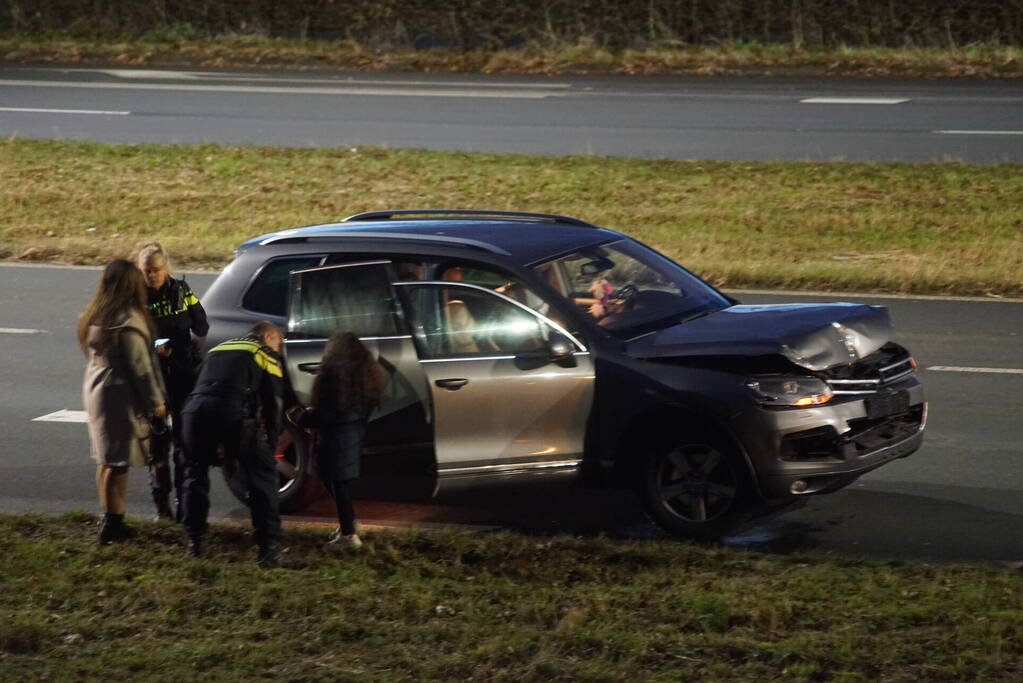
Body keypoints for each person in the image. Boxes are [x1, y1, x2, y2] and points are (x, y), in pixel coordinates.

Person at [180, 321, 285, 566]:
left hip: (194, 412)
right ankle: (269, 551)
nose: (280, 348)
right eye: (280, 342)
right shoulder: (263, 352)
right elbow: (274, 400)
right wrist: (271, 440)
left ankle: (194, 543)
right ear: (268, 337)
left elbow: (198, 382)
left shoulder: (219, 349)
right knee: (262, 477)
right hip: (231, 410)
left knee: (194, 477)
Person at [78, 259, 168, 544]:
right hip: (118, 395)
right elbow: (140, 369)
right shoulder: (128, 320)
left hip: (98, 388)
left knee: (107, 462)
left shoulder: (99, 314)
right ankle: (113, 527)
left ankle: (111, 518)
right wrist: (157, 403)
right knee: (118, 463)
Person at [136, 242, 209, 521]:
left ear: (166, 268)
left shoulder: (182, 290)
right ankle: (161, 507)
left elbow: (202, 326)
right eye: (146, 271)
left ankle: (184, 504)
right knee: (157, 445)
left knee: (184, 443)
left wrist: (175, 341)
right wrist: (156, 343)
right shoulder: (136, 297)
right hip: (152, 378)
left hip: (182, 376)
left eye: (156, 270)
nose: (151, 276)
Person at [294, 332, 384, 552]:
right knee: (338, 485)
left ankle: (348, 536)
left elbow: (324, 415)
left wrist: (300, 417)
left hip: (332, 443)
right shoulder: (365, 377)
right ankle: (349, 525)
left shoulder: (331, 378)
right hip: (351, 439)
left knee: (336, 485)